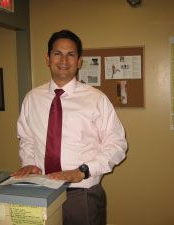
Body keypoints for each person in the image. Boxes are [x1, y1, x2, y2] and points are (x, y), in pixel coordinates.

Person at [12, 29, 127, 225]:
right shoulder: (32, 98)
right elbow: (27, 137)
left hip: (82, 194)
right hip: (41, 189)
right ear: (47, 59)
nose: (64, 60)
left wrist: (82, 171)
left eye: (70, 54)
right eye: (57, 53)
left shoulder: (96, 99)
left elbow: (117, 145)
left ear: (79, 61)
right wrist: (30, 162)